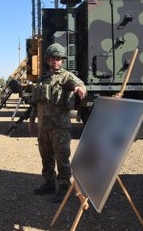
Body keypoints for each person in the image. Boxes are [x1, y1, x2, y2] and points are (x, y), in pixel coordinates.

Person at [28, 43, 86, 203]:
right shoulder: (42, 79)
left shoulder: (66, 76)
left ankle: (64, 187)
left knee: (62, 157)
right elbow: (36, 103)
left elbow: (80, 84)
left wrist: (80, 89)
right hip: (43, 127)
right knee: (45, 156)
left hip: (60, 127)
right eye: (54, 58)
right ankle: (48, 183)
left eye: (59, 59)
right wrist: (32, 121)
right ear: (48, 60)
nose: (56, 61)